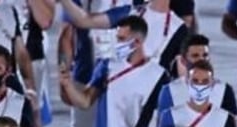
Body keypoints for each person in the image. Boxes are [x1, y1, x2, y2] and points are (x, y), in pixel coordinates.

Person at [59, 0, 189, 74]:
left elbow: (182, 76)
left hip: (150, 105)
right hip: (116, 92)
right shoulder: (130, 12)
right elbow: (84, 20)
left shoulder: (179, 29)